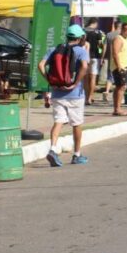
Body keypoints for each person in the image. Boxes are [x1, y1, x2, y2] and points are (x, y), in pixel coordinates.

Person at [38, 24, 90, 166]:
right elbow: (85, 67)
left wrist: (49, 80)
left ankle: (53, 149)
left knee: (58, 121)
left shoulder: (54, 49)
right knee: (77, 124)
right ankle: (77, 154)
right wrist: (75, 83)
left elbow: (41, 65)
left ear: (67, 36)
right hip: (75, 94)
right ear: (80, 38)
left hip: (57, 92)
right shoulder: (82, 51)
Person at [110, 22, 127, 116]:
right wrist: (119, 66)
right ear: (122, 29)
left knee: (120, 87)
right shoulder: (118, 38)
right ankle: (118, 109)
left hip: (126, 66)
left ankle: (116, 108)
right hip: (119, 66)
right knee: (122, 87)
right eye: (126, 29)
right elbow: (115, 53)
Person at [83, 17, 104, 106]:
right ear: (95, 23)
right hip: (95, 57)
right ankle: (90, 97)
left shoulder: (83, 31)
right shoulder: (98, 32)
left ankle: (86, 96)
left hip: (85, 56)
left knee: (86, 77)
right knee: (93, 77)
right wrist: (101, 56)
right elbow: (100, 46)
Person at [102, 20, 122, 103]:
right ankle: (120, 96)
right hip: (120, 58)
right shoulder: (121, 35)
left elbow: (104, 47)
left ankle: (106, 91)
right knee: (121, 78)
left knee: (110, 76)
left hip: (110, 57)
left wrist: (103, 57)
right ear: (120, 26)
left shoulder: (109, 35)